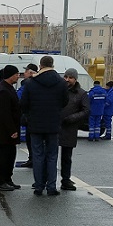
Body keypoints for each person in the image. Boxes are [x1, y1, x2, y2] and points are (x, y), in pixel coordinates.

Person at [19, 55, 68, 195]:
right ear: (52, 65)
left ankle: (39, 186)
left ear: (40, 66)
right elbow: (65, 102)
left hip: (35, 124)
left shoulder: (30, 83)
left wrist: (29, 115)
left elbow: (23, 104)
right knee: (52, 155)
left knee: (38, 155)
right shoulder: (61, 83)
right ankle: (51, 186)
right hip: (53, 124)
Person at [0, 64, 22, 192]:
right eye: (16, 74)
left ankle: (8, 179)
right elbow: (4, 113)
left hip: (10, 129)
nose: (18, 76)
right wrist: (12, 130)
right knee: (4, 156)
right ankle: (0, 181)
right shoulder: (3, 90)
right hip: (5, 131)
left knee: (10, 155)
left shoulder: (8, 88)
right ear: (10, 75)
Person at [59, 69, 89, 191]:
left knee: (66, 156)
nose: (67, 79)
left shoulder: (81, 94)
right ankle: (45, 180)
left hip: (69, 127)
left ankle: (66, 180)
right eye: (65, 76)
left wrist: (73, 118)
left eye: (70, 77)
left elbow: (86, 110)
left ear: (75, 79)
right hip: (55, 126)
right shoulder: (59, 90)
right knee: (49, 155)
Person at [14, 64, 38, 168]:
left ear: (32, 73)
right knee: (29, 139)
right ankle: (32, 159)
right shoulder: (27, 84)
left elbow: (21, 99)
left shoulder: (29, 84)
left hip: (29, 116)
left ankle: (33, 159)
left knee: (32, 140)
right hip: (28, 116)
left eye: (27, 71)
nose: (24, 73)